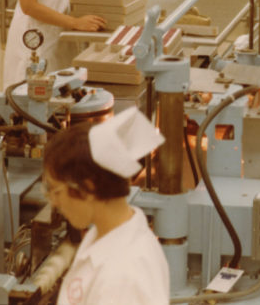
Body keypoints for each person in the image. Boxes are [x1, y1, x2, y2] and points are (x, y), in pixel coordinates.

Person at [43, 107, 170, 304]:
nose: (54, 201)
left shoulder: (122, 280)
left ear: (87, 187)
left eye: (56, 191)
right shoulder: (104, 234)